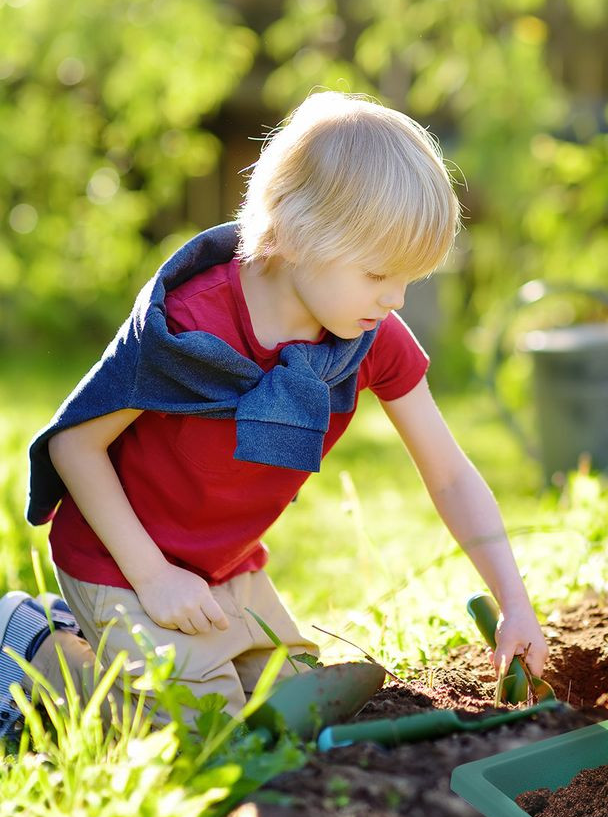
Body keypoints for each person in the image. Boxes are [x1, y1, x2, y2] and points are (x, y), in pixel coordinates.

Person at [8, 91, 548, 740]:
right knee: (196, 736)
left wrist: (515, 605)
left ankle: (157, 656)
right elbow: (74, 446)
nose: (396, 298)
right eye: (379, 272)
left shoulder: (369, 336)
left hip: (226, 566)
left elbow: (451, 476)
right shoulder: (189, 325)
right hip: (119, 556)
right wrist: (151, 578)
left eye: (410, 279)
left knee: (289, 712)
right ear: (297, 231)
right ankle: (35, 644)